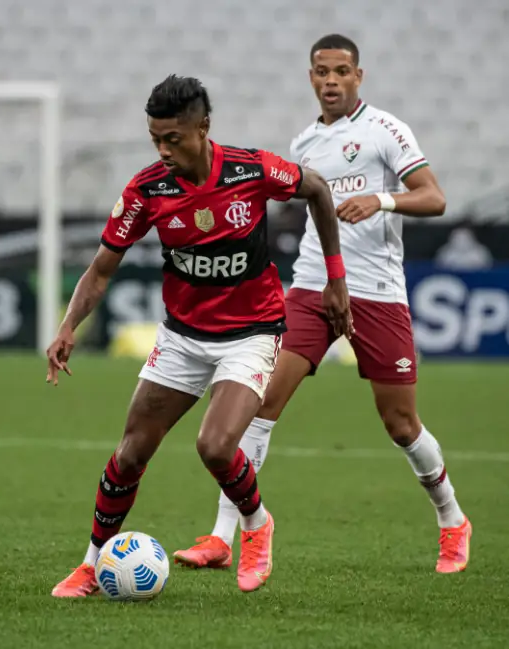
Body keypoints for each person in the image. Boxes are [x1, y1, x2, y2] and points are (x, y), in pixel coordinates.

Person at [175, 34, 471, 575]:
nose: (330, 81)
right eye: (320, 72)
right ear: (310, 77)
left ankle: (452, 520)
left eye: (340, 71)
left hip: (377, 293)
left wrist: (380, 200)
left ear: (359, 76)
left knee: (401, 423)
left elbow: (435, 197)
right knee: (260, 405)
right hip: (312, 286)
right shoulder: (304, 142)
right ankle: (221, 536)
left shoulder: (386, 130)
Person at [48, 74, 351, 596]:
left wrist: (336, 278)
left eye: (173, 139)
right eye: (155, 140)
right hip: (183, 336)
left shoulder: (251, 170)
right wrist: (69, 325)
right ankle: (93, 564)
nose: (163, 151)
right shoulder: (147, 190)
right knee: (130, 455)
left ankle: (257, 527)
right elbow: (100, 269)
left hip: (251, 331)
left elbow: (318, 189)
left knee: (215, 445)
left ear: (203, 127)